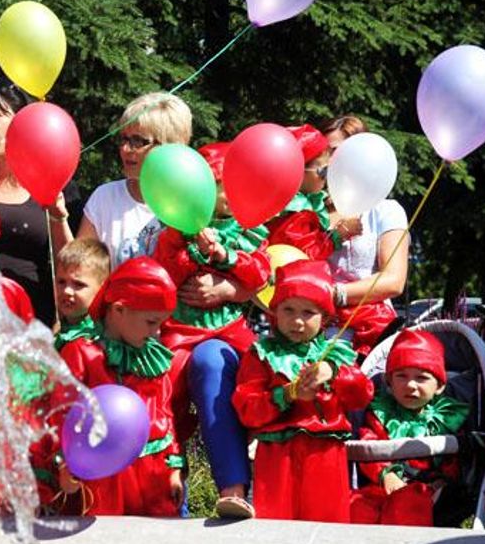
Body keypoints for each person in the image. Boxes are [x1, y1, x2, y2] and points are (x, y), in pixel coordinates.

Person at [152, 142, 272, 519]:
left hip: (228, 330)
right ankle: (167, 484)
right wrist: (186, 248)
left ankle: (236, 485)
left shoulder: (245, 229)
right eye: (213, 186)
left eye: (223, 186)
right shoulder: (174, 230)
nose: (219, 195)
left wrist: (225, 256)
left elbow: (260, 275)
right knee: (162, 390)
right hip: (180, 331)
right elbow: (165, 275)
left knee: (260, 378)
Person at [232, 260, 372, 522]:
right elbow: (247, 409)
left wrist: (335, 372)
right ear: (274, 312)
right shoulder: (260, 355)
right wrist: (286, 395)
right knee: (275, 525)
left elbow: (362, 394)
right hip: (276, 455)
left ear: (326, 318)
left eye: (308, 313)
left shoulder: (336, 354)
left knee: (326, 525)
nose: (297, 321)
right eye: (288, 310)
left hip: (326, 453)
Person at [53, 257, 185, 517]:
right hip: (102, 474)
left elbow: (164, 414)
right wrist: (63, 466)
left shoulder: (152, 357)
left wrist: (174, 467)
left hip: (152, 473)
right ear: (119, 309)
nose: (157, 332)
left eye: (160, 323)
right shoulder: (82, 353)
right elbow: (60, 415)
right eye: (151, 322)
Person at [351, 329, 468, 526]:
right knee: (357, 507)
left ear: (439, 386)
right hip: (383, 485)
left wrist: (446, 479)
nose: (411, 385)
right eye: (401, 376)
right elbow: (368, 444)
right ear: (389, 382)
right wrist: (386, 474)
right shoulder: (381, 413)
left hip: (430, 488)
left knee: (409, 504)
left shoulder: (447, 417)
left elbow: (454, 459)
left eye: (421, 378)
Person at [0, 82, 77, 327]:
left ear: (23, 124)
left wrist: (58, 217)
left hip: (32, 324)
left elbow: (72, 264)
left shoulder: (47, 181)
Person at [321, 115, 409, 357]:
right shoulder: (308, 209)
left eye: (335, 152)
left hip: (369, 331)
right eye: (323, 153)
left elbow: (393, 280)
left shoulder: (385, 210)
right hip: (309, 328)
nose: (327, 161)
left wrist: (334, 295)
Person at [76, 92, 192, 268]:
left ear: (169, 144)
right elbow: (80, 270)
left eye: (138, 141)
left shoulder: (191, 201)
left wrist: (225, 287)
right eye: (124, 138)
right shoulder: (104, 197)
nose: (125, 149)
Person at [266, 124, 355, 261]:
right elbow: (305, 255)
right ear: (298, 172)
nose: (327, 176)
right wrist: (338, 235)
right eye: (324, 171)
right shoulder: (296, 213)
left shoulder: (280, 202)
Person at [53, 238, 110, 348]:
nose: (67, 291)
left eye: (78, 284)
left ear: (102, 289)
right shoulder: (59, 329)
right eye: (61, 282)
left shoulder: (98, 341)